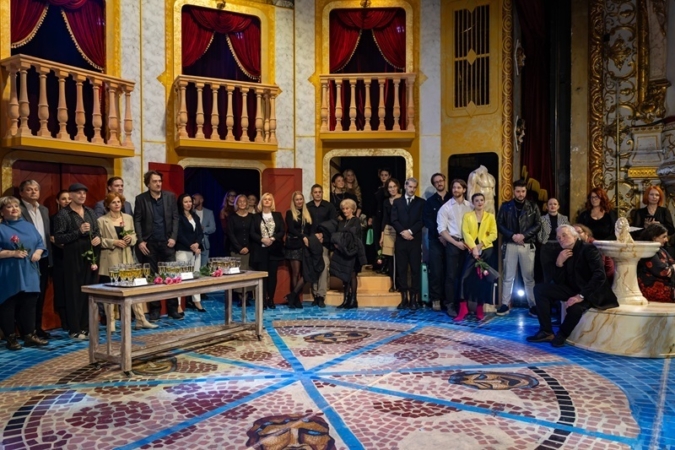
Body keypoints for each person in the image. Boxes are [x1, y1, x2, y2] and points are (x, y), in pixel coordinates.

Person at [527, 224, 618, 347]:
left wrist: (580, 296)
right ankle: (546, 331)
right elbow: (559, 282)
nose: (561, 239)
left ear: (575, 236)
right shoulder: (563, 253)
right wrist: (559, 264)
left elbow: (600, 276)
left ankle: (562, 334)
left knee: (575, 308)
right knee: (540, 289)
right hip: (573, 288)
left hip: (592, 292)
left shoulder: (588, 249)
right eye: (559, 238)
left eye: (564, 235)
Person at [97, 192, 157, 330]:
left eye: (118, 202)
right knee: (110, 292)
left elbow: (134, 236)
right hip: (110, 260)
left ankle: (141, 319)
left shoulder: (128, 218)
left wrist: (131, 239)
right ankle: (111, 322)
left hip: (127, 259)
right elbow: (98, 240)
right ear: (108, 205)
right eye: (113, 202)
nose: (117, 204)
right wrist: (113, 242)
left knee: (133, 290)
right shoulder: (101, 220)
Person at [52, 183, 101, 339]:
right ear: (71, 195)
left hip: (91, 257)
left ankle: (86, 326)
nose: (82, 196)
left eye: (84, 193)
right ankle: (75, 329)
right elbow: (59, 238)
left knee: (89, 291)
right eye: (78, 193)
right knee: (74, 292)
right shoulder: (63, 214)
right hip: (73, 257)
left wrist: (97, 238)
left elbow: (96, 231)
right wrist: (78, 232)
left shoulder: (90, 212)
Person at [0, 196, 49, 350]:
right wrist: (12, 253)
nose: (14, 209)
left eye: (16, 206)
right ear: (2, 211)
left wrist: (38, 253)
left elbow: (40, 243)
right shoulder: (1, 228)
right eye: (9, 207)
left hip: (30, 270)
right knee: (9, 304)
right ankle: (11, 338)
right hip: (10, 271)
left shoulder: (29, 226)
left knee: (30, 303)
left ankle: (29, 335)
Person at [133, 170, 181, 321]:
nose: (158, 184)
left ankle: (173, 309)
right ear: (148, 184)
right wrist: (140, 240)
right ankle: (155, 310)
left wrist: (173, 237)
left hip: (167, 242)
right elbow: (137, 220)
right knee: (152, 277)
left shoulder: (170, 197)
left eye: (160, 181)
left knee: (171, 275)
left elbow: (175, 218)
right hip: (150, 244)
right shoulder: (141, 199)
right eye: (154, 181)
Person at [496, 179, 541, 316]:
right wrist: (512, 235)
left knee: (529, 277)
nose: (521, 194)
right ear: (513, 191)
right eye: (518, 191)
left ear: (526, 191)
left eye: (523, 191)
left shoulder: (533, 206)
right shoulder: (506, 206)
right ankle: (505, 304)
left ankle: (532, 305)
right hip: (510, 243)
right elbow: (499, 224)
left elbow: (538, 224)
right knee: (508, 276)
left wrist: (523, 236)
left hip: (526, 244)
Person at [455, 193, 498, 322]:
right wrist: (474, 247)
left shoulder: (490, 217)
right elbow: (465, 233)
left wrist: (481, 245)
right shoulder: (467, 216)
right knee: (464, 277)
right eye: (477, 200)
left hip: (486, 250)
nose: (479, 202)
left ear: (484, 202)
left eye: (481, 200)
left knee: (482, 279)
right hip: (471, 250)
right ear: (473, 203)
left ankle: (480, 309)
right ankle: (463, 308)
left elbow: (494, 234)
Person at [18, 180, 52, 339]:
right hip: (26, 258)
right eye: (29, 189)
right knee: (27, 296)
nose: (33, 192)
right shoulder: (18, 209)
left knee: (40, 294)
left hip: (43, 257)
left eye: (36, 189)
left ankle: (37, 328)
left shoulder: (44, 209)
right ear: (21, 192)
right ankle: (26, 331)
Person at [437, 179, 473, 316]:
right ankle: (450, 305)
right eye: (454, 187)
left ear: (464, 190)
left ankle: (463, 304)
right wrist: (455, 243)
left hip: (468, 244)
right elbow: (441, 229)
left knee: (465, 276)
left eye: (459, 187)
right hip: (453, 243)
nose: (456, 190)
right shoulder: (445, 207)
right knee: (451, 276)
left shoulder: (470, 206)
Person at [391, 177, 426, 310]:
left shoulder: (421, 202)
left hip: (414, 240)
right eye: (410, 187)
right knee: (402, 269)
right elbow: (394, 220)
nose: (412, 189)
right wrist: (403, 232)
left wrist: (410, 231)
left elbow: (422, 220)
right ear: (405, 186)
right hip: (401, 241)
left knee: (415, 270)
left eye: (414, 187)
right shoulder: (397, 202)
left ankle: (414, 299)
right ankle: (404, 298)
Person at [249, 193, 285, 310]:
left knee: (272, 276)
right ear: (261, 201)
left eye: (269, 199)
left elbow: (282, 230)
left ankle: (271, 299)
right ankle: (263, 300)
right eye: (265, 199)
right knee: (263, 276)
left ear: (272, 202)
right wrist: (262, 239)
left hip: (274, 249)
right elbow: (252, 232)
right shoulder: (255, 216)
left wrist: (273, 238)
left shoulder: (277, 215)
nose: (267, 201)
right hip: (260, 250)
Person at [330, 199, 366, 309]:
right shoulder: (341, 222)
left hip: (352, 252)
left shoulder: (356, 221)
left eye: (347, 208)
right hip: (342, 252)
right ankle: (346, 299)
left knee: (352, 275)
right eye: (343, 209)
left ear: (352, 209)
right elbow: (337, 236)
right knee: (344, 276)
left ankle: (353, 300)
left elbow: (353, 236)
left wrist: (342, 240)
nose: (345, 211)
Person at [422, 173, 451, 311]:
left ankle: (448, 300)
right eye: (436, 182)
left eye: (441, 180)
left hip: (452, 240)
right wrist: (441, 235)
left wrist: (448, 236)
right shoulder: (430, 202)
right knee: (436, 271)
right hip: (436, 240)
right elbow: (428, 221)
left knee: (450, 271)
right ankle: (436, 299)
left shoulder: (452, 198)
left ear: (444, 181)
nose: (439, 183)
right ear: (434, 185)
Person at [306, 184, 337, 308]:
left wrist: (323, 234)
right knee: (314, 266)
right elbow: (305, 225)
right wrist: (312, 237)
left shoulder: (329, 206)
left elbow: (333, 223)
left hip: (325, 241)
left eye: (319, 192)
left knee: (323, 266)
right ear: (312, 194)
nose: (318, 194)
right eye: (315, 192)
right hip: (311, 241)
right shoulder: (307, 207)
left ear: (322, 193)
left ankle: (321, 295)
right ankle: (315, 294)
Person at [175, 193, 205, 312]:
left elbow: (200, 233)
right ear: (181, 203)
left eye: (190, 202)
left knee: (195, 276)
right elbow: (179, 234)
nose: (188, 204)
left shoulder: (195, 216)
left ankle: (196, 300)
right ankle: (178, 304)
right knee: (180, 278)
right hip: (183, 250)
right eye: (185, 202)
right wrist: (190, 245)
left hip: (196, 251)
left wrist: (197, 243)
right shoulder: (178, 217)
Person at [284, 191, 312, 309]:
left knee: (306, 273)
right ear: (293, 201)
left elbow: (310, 229)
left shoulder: (307, 212)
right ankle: (295, 300)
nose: (299, 201)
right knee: (295, 273)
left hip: (305, 246)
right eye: (297, 199)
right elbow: (291, 229)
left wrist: (308, 238)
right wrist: (303, 237)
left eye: (301, 199)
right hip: (294, 245)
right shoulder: (290, 213)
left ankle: (292, 295)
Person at [637, 223, 675, 303]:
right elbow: (663, 271)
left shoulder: (661, 249)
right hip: (652, 287)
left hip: (666, 284)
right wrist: (672, 268)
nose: (667, 240)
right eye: (664, 237)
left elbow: (672, 263)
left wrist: (672, 268)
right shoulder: (648, 251)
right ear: (654, 238)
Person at [228, 194, 255, 305]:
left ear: (247, 203)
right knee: (238, 273)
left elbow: (253, 233)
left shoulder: (252, 217)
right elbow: (230, 234)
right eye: (240, 201)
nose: (242, 203)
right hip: (236, 250)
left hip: (249, 250)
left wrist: (248, 247)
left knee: (248, 272)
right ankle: (241, 297)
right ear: (237, 203)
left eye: (244, 201)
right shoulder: (232, 217)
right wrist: (239, 248)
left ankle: (247, 297)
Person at [538, 198, 570, 283]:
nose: (553, 206)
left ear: (558, 206)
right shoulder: (541, 219)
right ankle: (548, 289)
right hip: (547, 246)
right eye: (550, 204)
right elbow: (539, 233)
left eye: (555, 204)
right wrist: (542, 241)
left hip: (560, 246)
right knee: (547, 272)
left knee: (560, 271)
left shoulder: (564, 218)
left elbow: (568, 232)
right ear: (547, 207)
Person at [51, 190, 70, 330]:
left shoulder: (78, 216)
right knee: (61, 289)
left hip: (75, 259)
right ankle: (64, 320)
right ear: (58, 201)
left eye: (69, 198)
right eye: (63, 199)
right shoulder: (54, 218)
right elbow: (53, 238)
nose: (67, 201)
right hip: (60, 258)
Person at [379, 178, 402, 292]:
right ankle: (394, 284)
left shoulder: (403, 199)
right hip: (389, 231)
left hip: (401, 231)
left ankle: (402, 284)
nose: (392, 189)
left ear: (398, 187)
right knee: (391, 259)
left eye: (394, 186)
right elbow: (384, 219)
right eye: (390, 187)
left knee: (401, 258)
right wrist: (382, 235)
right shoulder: (386, 202)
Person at [369, 168, 391, 265]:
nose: (383, 177)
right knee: (377, 239)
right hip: (377, 217)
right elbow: (373, 204)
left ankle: (387, 262)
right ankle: (379, 260)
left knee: (387, 239)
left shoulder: (391, 189)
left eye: (386, 175)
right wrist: (371, 216)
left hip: (387, 217)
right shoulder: (377, 189)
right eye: (382, 175)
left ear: (389, 176)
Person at [191, 193, 215, 267]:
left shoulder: (209, 212)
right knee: (194, 266)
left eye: (195, 199)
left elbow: (213, 228)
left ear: (201, 200)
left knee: (203, 267)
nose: (193, 201)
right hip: (193, 244)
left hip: (205, 244)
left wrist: (203, 228)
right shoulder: (191, 212)